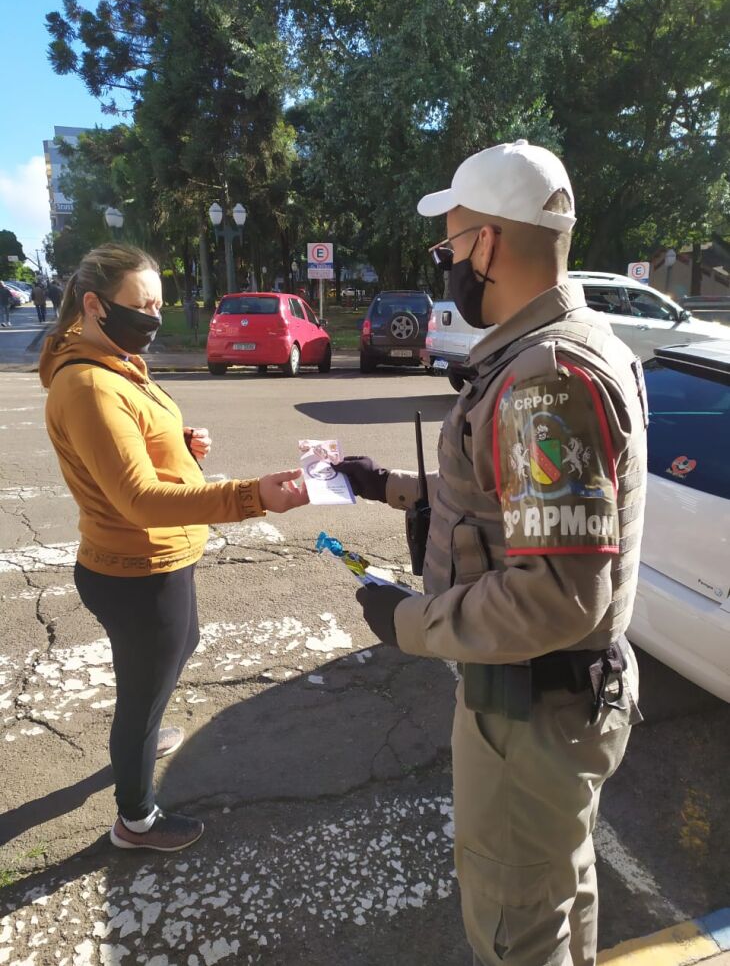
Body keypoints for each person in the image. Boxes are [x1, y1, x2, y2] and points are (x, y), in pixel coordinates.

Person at [337, 141, 648, 966]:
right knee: (556, 884)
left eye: (450, 244)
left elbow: (554, 595)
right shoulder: (576, 345)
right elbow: (516, 511)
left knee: (517, 924)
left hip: (531, 710)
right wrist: (396, 487)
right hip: (551, 701)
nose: (445, 262)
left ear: (489, 245)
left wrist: (410, 621)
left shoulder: (545, 379)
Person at [40, 243, 308, 853]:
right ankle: (135, 820)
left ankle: (143, 726)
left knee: (176, 649)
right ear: (93, 304)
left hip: (157, 559)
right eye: (143, 305)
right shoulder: (89, 384)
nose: (155, 318)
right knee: (143, 689)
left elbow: (129, 447)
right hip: (135, 566)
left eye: (160, 304)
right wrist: (251, 497)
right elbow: (136, 498)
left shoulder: (114, 360)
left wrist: (180, 445)